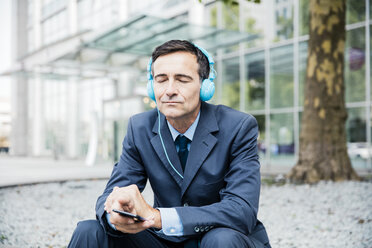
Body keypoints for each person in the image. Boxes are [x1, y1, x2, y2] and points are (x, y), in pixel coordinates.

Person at [68, 40, 270, 248]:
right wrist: (115, 212)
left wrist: (159, 217)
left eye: (182, 80)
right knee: (89, 230)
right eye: (161, 80)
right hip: (165, 240)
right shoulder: (140, 128)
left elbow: (241, 210)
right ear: (151, 86)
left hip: (221, 238)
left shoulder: (238, 127)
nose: (170, 90)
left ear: (205, 86)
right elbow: (112, 192)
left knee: (220, 240)